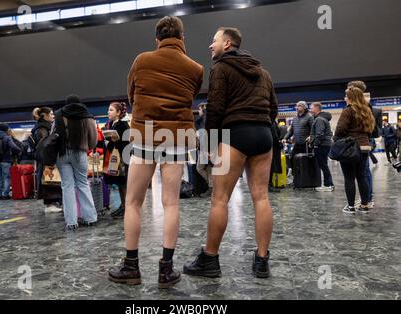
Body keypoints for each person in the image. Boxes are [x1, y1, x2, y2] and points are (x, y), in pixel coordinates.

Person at [108, 16, 203, 288]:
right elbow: (189, 97)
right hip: (177, 137)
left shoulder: (141, 60)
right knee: (171, 203)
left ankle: (130, 267)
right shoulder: (195, 68)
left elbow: (131, 94)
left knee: (134, 202)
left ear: (157, 39)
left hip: (145, 135)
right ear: (182, 38)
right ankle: (166, 271)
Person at [183, 26, 278, 279]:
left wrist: (212, 145)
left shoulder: (220, 69)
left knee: (220, 199)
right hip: (263, 135)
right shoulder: (263, 72)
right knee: (261, 197)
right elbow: (274, 109)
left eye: (213, 41)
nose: (210, 45)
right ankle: (261, 261)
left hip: (235, 134)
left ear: (227, 43)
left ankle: (210, 259)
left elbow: (214, 109)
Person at [54, 94, 98, 231]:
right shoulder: (87, 117)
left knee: (67, 186)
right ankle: (90, 218)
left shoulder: (58, 116)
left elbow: (53, 135)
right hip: (80, 153)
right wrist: (87, 146)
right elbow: (93, 141)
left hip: (61, 154)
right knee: (83, 183)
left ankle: (72, 222)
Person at [334, 87, 375, 214]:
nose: (344, 98)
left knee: (349, 178)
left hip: (351, 148)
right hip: (365, 147)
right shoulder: (367, 110)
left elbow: (341, 129)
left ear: (351, 97)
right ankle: (364, 205)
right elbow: (370, 130)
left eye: (346, 96)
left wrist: (336, 139)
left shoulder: (348, 110)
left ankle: (351, 207)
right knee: (362, 177)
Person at [347, 80, 381, 208]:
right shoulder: (362, 105)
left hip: (363, 140)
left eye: (350, 88)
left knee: (364, 172)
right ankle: (365, 198)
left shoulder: (363, 106)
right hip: (364, 140)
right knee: (363, 172)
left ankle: (368, 199)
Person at [31, 107, 62, 213]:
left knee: (51, 180)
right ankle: (49, 204)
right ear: (44, 115)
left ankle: (53, 202)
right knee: (48, 181)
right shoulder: (41, 129)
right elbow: (44, 144)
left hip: (47, 159)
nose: (53, 116)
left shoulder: (44, 127)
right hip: (45, 159)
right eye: (51, 114)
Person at [102, 102, 130, 219]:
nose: (109, 112)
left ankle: (127, 207)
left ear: (118, 113)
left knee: (123, 184)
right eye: (108, 110)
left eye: (111, 110)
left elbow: (127, 143)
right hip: (115, 158)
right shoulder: (111, 124)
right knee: (119, 183)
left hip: (122, 158)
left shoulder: (123, 125)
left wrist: (115, 141)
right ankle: (123, 206)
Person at [308, 102, 334, 191]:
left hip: (321, 145)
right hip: (324, 144)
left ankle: (327, 185)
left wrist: (315, 144)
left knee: (323, 165)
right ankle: (330, 184)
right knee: (324, 165)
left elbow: (320, 134)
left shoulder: (319, 119)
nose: (310, 109)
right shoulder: (320, 119)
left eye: (311, 108)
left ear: (316, 108)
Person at [283, 101, 314, 176]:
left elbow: (313, 129)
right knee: (292, 159)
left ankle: (308, 177)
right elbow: (291, 131)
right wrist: (285, 138)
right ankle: (296, 176)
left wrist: (311, 136)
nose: (297, 107)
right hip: (297, 144)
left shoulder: (309, 117)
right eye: (297, 106)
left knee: (307, 161)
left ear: (304, 107)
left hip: (306, 144)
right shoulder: (295, 118)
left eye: (299, 106)